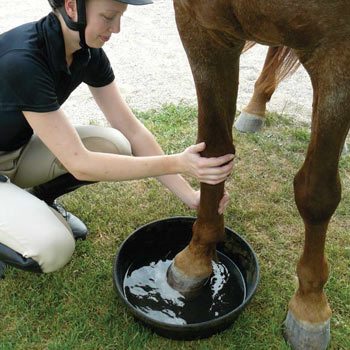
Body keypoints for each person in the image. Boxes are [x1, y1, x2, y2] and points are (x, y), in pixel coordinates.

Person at [0, 0, 234, 277]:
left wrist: (190, 195)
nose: (117, 29)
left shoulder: (84, 52)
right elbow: (81, 164)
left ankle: (38, 200)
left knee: (116, 145)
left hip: (13, 151)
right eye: (109, 17)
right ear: (73, 6)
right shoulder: (23, 61)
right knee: (53, 247)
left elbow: (131, 130)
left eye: (120, 17)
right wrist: (179, 163)